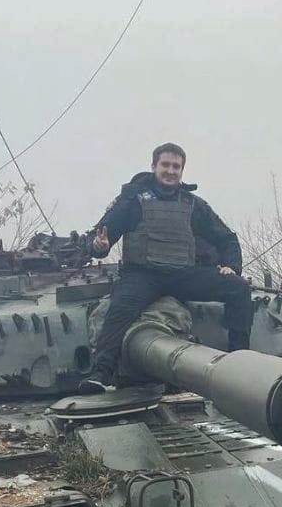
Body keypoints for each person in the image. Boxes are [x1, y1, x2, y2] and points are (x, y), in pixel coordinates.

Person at [77, 143, 253, 392]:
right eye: (166, 165)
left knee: (238, 288)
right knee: (119, 310)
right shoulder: (132, 201)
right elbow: (101, 236)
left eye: (176, 166)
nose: (171, 171)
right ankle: (101, 373)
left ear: (182, 170)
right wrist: (99, 245)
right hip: (142, 274)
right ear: (154, 167)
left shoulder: (193, 205)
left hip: (183, 274)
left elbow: (226, 238)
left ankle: (240, 363)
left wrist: (231, 267)